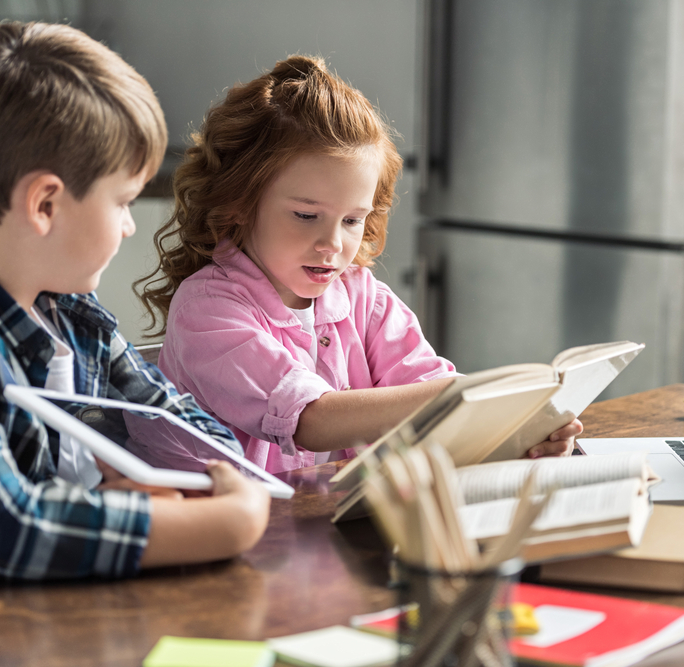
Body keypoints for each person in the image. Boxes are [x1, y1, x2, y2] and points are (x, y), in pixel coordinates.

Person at [133, 55, 582, 475]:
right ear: (239, 205)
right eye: (306, 216)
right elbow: (310, 419)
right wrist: (456, 396)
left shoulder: (363, 298)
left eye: (352, 220)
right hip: (220, 536)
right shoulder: (207, 308)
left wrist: (515, 432)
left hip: (317, 524)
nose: (331, 243)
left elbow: (427, 397)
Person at [0, 21, 270, 580]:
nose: (127, 228)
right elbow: (4, 528)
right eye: (122, 202)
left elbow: (180, 419)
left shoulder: (76, 316)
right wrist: (226, 525)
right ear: (45, 204)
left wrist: (168, 480)